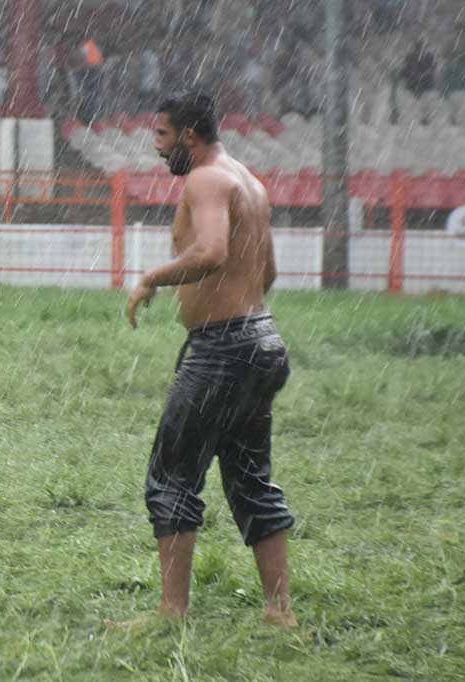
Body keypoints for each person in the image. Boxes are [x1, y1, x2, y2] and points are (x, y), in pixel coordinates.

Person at [107, 93, 296, 629]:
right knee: (250, 477)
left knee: (171, 474)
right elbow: (269, 270)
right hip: (260, 341)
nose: (157, 147)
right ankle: (279, 610)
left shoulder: (208, 180)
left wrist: (151, 278)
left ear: (189, 136)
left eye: (163, 136)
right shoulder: (251, 183)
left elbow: (211, 253)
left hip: (223, 349)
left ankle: (171, 613)